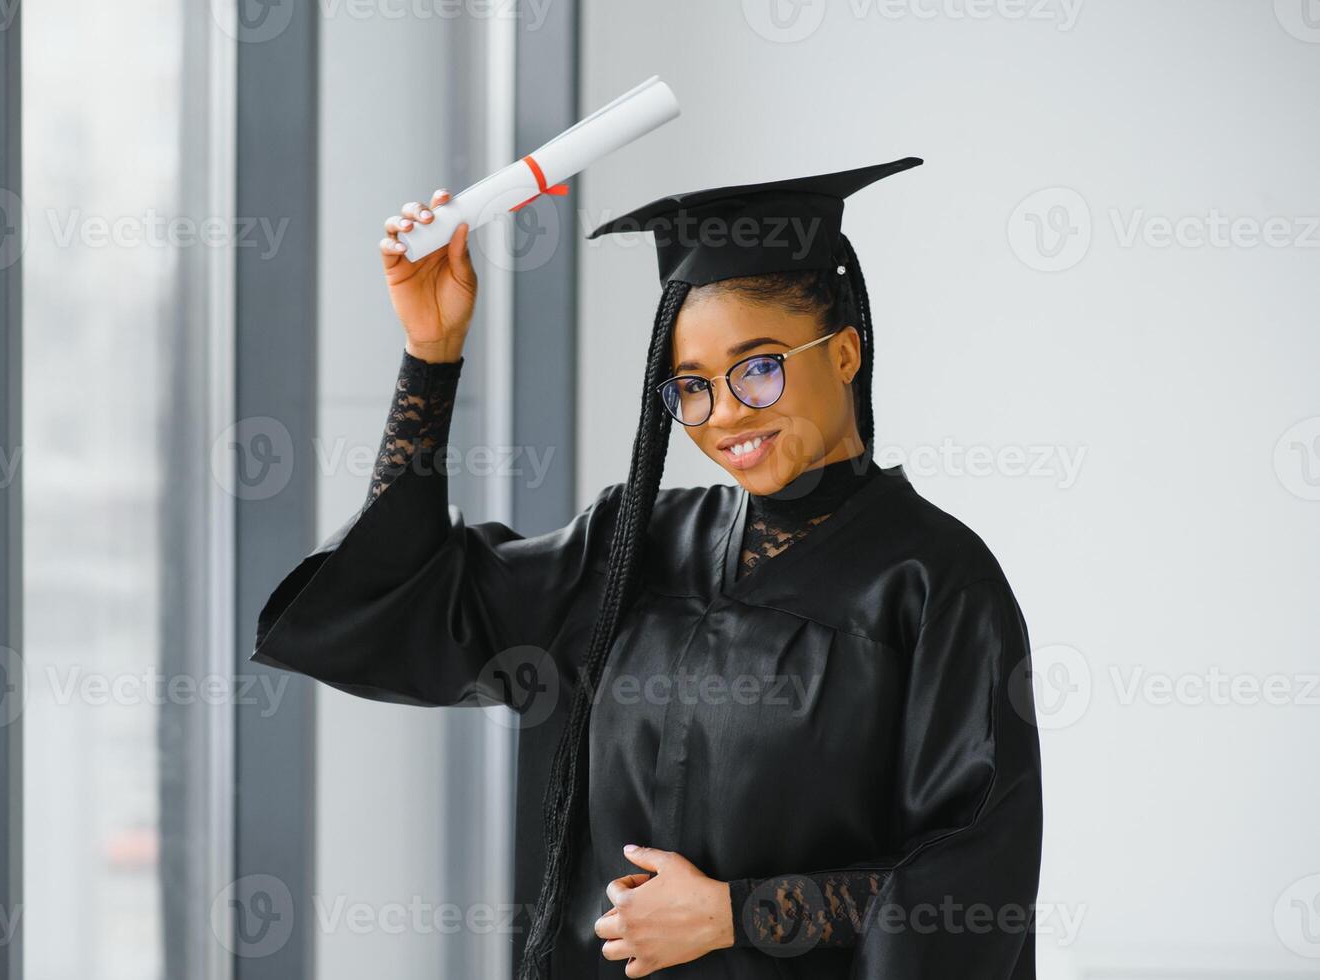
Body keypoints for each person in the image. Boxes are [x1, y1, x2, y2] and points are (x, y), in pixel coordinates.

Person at [251, 157, 1044, 979]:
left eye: (759, 366)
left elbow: (971, 888)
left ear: (843, 353)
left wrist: (736, 916)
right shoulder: (631, 548)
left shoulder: (935, 583)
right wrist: (432, 352)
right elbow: (402, 603)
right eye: (691, 386)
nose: (727, 411)